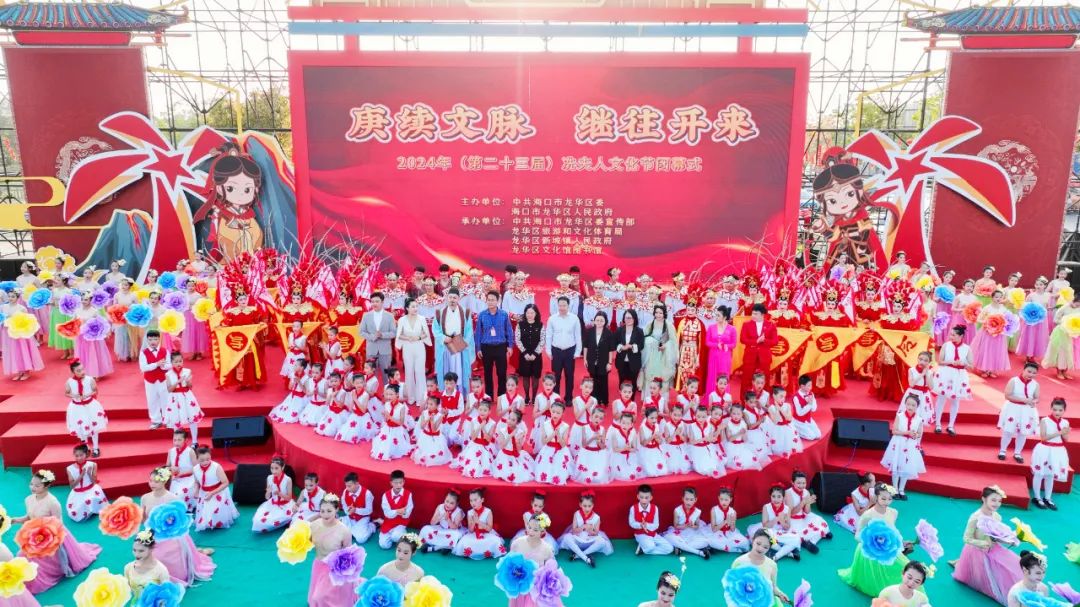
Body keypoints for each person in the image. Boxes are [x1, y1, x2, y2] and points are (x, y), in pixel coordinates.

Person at [13, 470, 101, 593]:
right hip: (35, 537)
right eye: (31, 484)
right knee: (20, 555)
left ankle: (63, 569)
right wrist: (15, 520)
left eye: (37, 485)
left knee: (51, 558)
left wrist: (49, 539)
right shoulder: (29, 499)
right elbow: (29, 517)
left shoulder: (53, 502)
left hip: (52, 537)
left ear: (47, 486)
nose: (32, 487)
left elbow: (58, 524)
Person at [140, 467, 216, 586]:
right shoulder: (145, 498)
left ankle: (196, 555)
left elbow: (180, 520)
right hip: (153, 535)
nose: (152, 484)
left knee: (166, 556)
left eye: (156, 481)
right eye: (150, 480)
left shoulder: (172, 498)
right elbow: (144, 519)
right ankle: (197, 552)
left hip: (172, 535)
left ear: (165, 481)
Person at [952, 485, 1022, 605]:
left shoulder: (997, 516)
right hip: (976, 551)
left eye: (999, 501)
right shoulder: (975, 517)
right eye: (993, 500)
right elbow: (966, 538)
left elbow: (996, 537)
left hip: (993, 549)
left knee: (1015, 565)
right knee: (987, 582)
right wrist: (982, 543)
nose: (997, 504)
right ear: (984, 499)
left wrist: (1009, 541)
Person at [838, 483, 910, 597]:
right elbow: (857, 535)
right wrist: (870, 542)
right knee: (874, 576)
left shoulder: (894, 512)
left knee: (905, 566)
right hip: (869, 550)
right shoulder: (868, 514)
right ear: (876, 497)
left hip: (887, 547)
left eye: (890, 499)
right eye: (883, 498)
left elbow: (892, 530)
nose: (887, 502)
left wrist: (900, 541)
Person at [307, 495, 360, 607]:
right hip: (318, 566)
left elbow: (349, 556)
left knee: (319, 597)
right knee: (315, 598)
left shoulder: (344, 531)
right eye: (322, 511)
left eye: (329, 511)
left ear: (336, 509)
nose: (325, 515)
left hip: (335, 569)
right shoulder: (313, 525)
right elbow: (307, 543)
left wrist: (345, 574)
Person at [731, 530, 792, 605]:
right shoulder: (739, 562)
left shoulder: (772, 565)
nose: (760, 549)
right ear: (752, 540)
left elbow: (773, 587)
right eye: (758, 543)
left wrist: (780, 594)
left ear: (769, 548)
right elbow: (733, 588)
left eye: (765, 547)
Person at [882, 395, 926, 500]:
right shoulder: (900, 416)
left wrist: (915, 435)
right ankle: (895, 489)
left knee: (907, 466)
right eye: (908, 404)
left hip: (910, 445)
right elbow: (894, 431)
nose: (910, 407)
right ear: (905, 404)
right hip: (899, 443)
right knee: (896, 465)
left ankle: (901, 489)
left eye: (913, 405)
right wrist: (906, 433)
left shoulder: (919, 419)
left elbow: (919, 433)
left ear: (917, 407)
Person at [1030, 397, 1070, 509]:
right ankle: (1037, 497)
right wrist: (1059, 432)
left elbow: (1066, 439)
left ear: (1064, 410)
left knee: (1050, 474)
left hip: (1057, 450)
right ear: (1051, 408)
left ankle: (1047, 498)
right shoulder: (1045, 420)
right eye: (1055, 409)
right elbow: (1043, 437)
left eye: (1060, 410)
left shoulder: (1065, 422)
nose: (1057, 412)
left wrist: (1065, 433)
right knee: (1039, 474)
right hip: (1045, 449)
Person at [998, 362, 1040, 463]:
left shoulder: (1035, 384)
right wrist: (1023, 400)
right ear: (1023, 370)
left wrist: (1034, 402)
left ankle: (1017, 453)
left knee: (1023, 433)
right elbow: (1007, 396)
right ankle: (1002, 451)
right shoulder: (1014, 381)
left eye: (1034, 373)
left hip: (1027, 411)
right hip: (1013, 408)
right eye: (1029, 371)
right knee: (1008, 431)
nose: (1031, 374)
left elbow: (1037, 397)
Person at [933, 325, 972, 435]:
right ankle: (938, 424)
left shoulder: (967, 349)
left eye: (954, 335)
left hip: (958, 376)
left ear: (961, 336)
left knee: (955, 401)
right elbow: (940, 361)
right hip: (946, 374)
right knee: (941, 399)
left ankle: (951, 425)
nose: (951, 337)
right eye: (951, 334)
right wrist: (951, 362)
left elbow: (971, 365)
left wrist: (963, 363)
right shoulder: (946, 345)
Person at [433, 287, 475, 388]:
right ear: (447, 298)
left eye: (455, 298)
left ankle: (460, 392)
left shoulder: (465, 312)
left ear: (458, 299)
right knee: (446, 369)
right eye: (450, 297)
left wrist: (463, 343)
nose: (452, 300)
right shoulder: (439, 313)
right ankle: (446, 392)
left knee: (460, 370)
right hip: (445, 346)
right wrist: (443, 338)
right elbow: (435, 329)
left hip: (460, 346)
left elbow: (469, 330)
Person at [558, 491, 613, 567]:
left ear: (593, 505)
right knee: (567, 538)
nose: (587, 508)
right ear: (580, 505)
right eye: (584, 506)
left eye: (589, 506)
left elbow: (596, 533)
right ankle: (586, 558)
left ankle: (578, 556)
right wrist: (583, 527)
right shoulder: (576, 514)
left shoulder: (597, 517)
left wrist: (589, 529)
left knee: (602, 541)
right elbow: (574, 531)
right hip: (578, 539)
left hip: (589, 541)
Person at [476, 290, 515, 398]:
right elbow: (478, 332)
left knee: (501, 373)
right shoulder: (482, 315)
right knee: (487, 373)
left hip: (500, 347)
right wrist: (478, 348)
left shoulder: (503, 314)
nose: (490, 302)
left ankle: (501, 397)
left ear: (498, 301)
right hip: (486, 347)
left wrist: (510, 346)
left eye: (493, 300)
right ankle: (489, 396)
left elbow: (509, 331)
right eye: (488, 300)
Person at [746, 485, 801, 561]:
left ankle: (775, 556)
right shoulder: (766, 507)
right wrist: (777, 518)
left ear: (783, 497)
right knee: (766, 538)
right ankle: (788, 553)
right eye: (773, 496)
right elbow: (765, 525)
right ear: (770, 496)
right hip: (768, 532)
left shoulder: (787, 509)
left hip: (780, 533)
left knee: (796, 539)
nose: (776, 499)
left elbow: (787, 527)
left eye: (779, 496)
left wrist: (782, 521)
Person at [65, 359, 107, 457]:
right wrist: (74, 395)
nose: (82, 372)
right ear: (73, 372)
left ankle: (96, 447)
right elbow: (66, 393)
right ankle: (86, 447)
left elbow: (95, 390)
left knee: (93, 427)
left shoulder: (90, 379)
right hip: (77, 408)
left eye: (82, 369)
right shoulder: (69, 382)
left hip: (89, 406)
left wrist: (87, 395)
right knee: (81, 427)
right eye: (78, 371)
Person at [193, 446, 239, 531]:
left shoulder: (216, 467)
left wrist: (212, 493)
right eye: (202, 460)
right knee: (205, 519)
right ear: (197, 459)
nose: (205, 462)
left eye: (208, 459)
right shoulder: (195, 469)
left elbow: (225, 482)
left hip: (218, 492)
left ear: (210, 456)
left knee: (217, 516)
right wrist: (196, 490)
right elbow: (197, 482)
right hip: (204, 493)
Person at [395, 297, 431, 406]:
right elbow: (399, 334)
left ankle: (421, 398)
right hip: (407, 348)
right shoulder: (402, 320)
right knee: (409, 372)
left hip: (419, 347)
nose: (415, 308)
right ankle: (411, 397)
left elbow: (426, 333)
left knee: (420, 372)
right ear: (407, 308)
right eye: (413, 307)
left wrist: (418, 338)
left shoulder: (422, 319)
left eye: (416, 306)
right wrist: (408, 338)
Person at [1, 289, 43, 380]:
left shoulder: (21, 308)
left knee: (22, 351)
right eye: (9, 296)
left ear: (17, 298)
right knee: (13, 352)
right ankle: (19, 371)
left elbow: (27, 321)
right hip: (8, 333)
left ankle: (26, 371)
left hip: (20, 334)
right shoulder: (4, 307)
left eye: (13, 296)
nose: (10, 298)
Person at [452, 488, 506, 559]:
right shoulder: (470, 512)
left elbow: (489, 528)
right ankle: (471, 552)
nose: (473, 503)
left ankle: (486, 551)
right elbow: (471, 530)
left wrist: (479, 522)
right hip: (474, 534)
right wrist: (474, 522)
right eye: (471, 500)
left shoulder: (488, 511)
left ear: (482, 500)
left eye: (475, 500)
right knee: (464, 542)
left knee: (495, 541)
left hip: (487, 534)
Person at [546, 296, 582, 401]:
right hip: (556, 351)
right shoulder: (552, 319)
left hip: (570, 351)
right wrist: (548, 350)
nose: (562, 308)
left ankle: (568, 398)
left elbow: (578, 336)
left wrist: (577, 352)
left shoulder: (574, 318)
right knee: (555, 376)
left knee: (569, 376)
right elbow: (548, 335)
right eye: (560, 305)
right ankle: (556, 398)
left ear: (568, 306)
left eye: (564, 305)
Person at [165, 351, 204, 445]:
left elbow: (190, 387)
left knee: (192, 418)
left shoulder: (187, 371)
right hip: (175, 399)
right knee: (176, 420)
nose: (178, 363)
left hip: (187, 397)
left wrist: (188, 382)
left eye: (180, 361)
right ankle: (178, 442)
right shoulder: (168, 374)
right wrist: (177, 382)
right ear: (171, 362)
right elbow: (169, 389)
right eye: (176, 362)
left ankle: (194, 441)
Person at [739, 304, 779, 395]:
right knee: (747, 378)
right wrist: (756, 341)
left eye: (756, 314)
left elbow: (775, 341)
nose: (753, 316)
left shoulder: (770, 325)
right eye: (752, 313)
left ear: (762, 314)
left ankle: (764, 400)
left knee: (764, 379)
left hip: (764, 356)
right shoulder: (746, 324)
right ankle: (744, 400)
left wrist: (764, 340)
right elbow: (743, 339)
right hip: (750, 355)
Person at [662, 486, 711, 559]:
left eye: (691, 500)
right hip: (679, 533)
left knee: (706, 542)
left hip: (691, 534)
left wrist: (692, 526)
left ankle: (680, 547)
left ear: (695, 500)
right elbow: (676, 526)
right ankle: (698, 552)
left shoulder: (698, 511)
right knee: (668, 537)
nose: (688, 502)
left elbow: (697, 526)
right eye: (686, 499)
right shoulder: (677, 510)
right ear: (683, 499)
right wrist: (685, 525)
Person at [972, 290, 1011, 378]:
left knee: (996, 351)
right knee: (987, 350)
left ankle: (992, 369)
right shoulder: (987, 308)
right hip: (987, 333)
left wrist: (1003, 324)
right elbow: (979, 319)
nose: (998, 299)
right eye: (996, 297)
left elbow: (1007, 320)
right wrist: (988, 322)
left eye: (1000, 297)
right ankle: (985, 369)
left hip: (999, 334)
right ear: (992, 297)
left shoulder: (1003, 309)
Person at [73, 292, 113, 378]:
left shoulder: (94, 311)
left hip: (91, 336)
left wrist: (105, 332)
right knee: (83, 353)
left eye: (86, 300)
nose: (83, 301)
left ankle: (95, 373)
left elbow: (100, 323)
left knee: (92, 353)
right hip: (81, 336)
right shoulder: (78, 310)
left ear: (90, 300)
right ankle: (84, 371)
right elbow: (74, 322)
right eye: (82, 299)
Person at [124, 530, 172, 602]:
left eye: (141, 551)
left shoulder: (161, 570)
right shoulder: (128, 568)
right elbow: (127, 589)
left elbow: (166, 595)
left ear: (151, 549)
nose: (136, 554)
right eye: (134, 550)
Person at [65, 443, 108, 522]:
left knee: (92, 500)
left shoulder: (93, 465)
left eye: (81, 455)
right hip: (77, 493)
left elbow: (94, 482)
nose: (79, 458)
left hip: (91, 490)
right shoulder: (69, 468)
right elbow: (72, 486)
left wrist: (88, 473)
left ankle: (93, 508)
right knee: (76, 513)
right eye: (76, 456)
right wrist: (81, 475)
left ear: (86, 454)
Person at [252, 455, 295, 533]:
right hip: (273, 504)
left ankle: (285, 521)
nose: (274, 471)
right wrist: (268, 492)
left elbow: (289, 498)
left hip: (285, 505)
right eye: (272, 468)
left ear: (282, 467)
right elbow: (267, 497)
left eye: (276, 468)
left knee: (289, 517)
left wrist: (279, 493)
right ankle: (282, 522)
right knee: (258, 521)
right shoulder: (269, 478)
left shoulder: (288, 479)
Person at [359, 292, 396, 380]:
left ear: (382, 302)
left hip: (385, 350)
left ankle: (387, 388)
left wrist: (382, 335)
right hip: (371, 350)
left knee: (386, 375)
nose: (374, 304)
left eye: (377, 301)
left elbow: (394, 333)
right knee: (371, 376)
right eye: (372, 302)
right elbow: (361, 332)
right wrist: (372, 337)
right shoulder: (366, 316)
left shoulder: (389, 316)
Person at [628, 484, 674, 555]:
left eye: (646, 498)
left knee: (670, 549)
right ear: (638, 497)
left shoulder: (655, 508)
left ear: (651, 498)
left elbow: (656, 525)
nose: (644, 500)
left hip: (653, 534)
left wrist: (647, 525)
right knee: (650, 546)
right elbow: (632, 523)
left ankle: (643, 550)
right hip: (640, 534)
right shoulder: (633, 508)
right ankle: (647, 547)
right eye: (641, 497)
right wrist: (640, 525)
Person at [457, 397, 496, 478]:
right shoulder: (473, 421)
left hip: (486, 446)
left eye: (485, 410)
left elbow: (488, 439)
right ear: (478, 410)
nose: (482, 412)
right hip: (475, 445)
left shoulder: (492, 423)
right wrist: (480, 426)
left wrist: (484, 428)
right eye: (480, 409)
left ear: (489, 411)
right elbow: (473, 438)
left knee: (486, 464)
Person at [140, 330, 171, 430]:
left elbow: (170, 365)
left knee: (165, 399)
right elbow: (143, 368)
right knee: (152, 400)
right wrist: (156, 364)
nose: (153, 341)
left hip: (163, 379)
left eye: (155, 339)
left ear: (159, 339)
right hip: (150, 380)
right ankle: (156, 420)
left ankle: (167, 420)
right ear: (147, 340)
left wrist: (163, 366)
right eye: (150, 339)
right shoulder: (143, 353)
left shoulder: (165, 351)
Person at [535, 401, 572, 485]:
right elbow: (543, 441)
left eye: (558, 413)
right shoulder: (545, 424)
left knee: (559, 470)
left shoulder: (565, 426)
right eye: (553, 412)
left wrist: (558, 436)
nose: (555, 414)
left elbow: (564, 444)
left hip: (560, 451)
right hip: (548, 449)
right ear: (550, 411)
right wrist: (552, 435)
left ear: (562, 414)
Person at [371, 385, 412, 461]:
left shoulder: (401, 407)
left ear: (397, 394)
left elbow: (401, 423)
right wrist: (384, 416)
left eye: (391, 394)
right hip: (387, 428)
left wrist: (390, 417)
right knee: (384, 446)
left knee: (395, 445)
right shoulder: (387, 404)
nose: (388, 397)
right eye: (387, 394)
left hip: (397, 430)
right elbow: (386, 420)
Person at [514, 303, 545, 404]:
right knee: (526, 376)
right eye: (528, 313)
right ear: (525, 313)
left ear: (536, 314)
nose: (530, 315)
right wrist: (525, 353)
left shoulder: (540, 325)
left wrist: (535, 354)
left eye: (532, 313)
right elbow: (517, 340)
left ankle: (534, 397)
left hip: (537, 356)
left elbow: (542, 340)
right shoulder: (520, 325)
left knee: (535, 377)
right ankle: (527, 397)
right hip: (524, 355)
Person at [1043, 297, 1080, 379]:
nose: (1078, 305)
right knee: (1061, 352)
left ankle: (1065, 371)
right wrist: (1066, 323)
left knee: (1071, 352)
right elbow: (1055, 319)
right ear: (1074, 300)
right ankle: (1059, 371)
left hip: (1074, 334)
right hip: (1062, 332)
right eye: (1077, 303)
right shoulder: (1064, 307)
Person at [493, 410, 534, 484]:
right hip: (505, 455)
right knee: (505, 472)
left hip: (515, 455)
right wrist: (510, 436)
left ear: (517, 422)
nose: (509, 421)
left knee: (519, 473)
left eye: (513, 420)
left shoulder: (520, 432)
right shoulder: (502, 431)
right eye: (509, 418)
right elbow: (502, 446)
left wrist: (517, 440)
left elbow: (518, 450)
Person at [583, 311, 616, 404]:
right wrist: (585, 359)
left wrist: (609, 363)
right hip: (591, 360)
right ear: (594, 321)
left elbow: (611, 349)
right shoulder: (589, 332)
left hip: (604, 361)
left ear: (605, 321)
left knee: (603, 380)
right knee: (593, 379)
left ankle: (603, 400)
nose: (599, 322)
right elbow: (585, 347)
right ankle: (594, 399)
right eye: (597, 320)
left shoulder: (609, 333)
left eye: (602, 320)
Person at [1016, 277, 1052, 362]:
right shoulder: (1031, 295)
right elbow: (1025, 307)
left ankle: (1034, 356)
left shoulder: (1048, 295)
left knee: (1039, 337)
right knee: (1030, 336)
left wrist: (1048, 309)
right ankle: (1028, 356)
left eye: (1041, 284)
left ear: (1045, 286)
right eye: (1037, 284)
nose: (1038, 286)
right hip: (1031, 320)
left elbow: (1047, 307)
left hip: (1042, 320)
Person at [704, 486, 750, 553]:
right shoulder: (714, 510)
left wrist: (732, 522)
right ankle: (735, 549)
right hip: (717, 532)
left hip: (729, 533)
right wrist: (725, 521)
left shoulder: (733, 512)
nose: (723, 502)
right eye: (721, 499)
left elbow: (732, 529)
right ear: (718, 498)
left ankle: (727, 547)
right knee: (711, 541)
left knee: (745, 542)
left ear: (730, 499)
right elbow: (714, 529)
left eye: (726, 500)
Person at [420, 489, 465, 553]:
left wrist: (448, 519)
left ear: (457, 504)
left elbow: (455, 527)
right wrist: (439, 517)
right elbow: (432, 523)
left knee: (456, 535)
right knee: (425, 528)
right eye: (447, 501)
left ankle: (434, 548)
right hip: (441, 528)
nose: (448, 504)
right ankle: (444, 547)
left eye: (451, 503)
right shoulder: (440, 507)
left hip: (452, 531)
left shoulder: (458, 512)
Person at [379, 469, 414, 549]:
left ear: (404, 482)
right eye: (395, 483)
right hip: (388, 523)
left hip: (401, 523)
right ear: (391, 483)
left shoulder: (408, 494)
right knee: (384, 545)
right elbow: (387, 513)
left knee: (396, 537)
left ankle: (401, 534)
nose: (398, 485)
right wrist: (397, 511)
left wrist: (404, 513)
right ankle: (393, 535)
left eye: (400, 482)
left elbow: (408, 512)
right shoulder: (385, 495)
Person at [412, 395, 451, 467]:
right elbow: (422, 426)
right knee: (422, 453)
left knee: (435, 455)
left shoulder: (440, 416)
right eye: (428, 404)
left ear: (437, 406)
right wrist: (428, 419)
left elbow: (434, 430)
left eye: (431, 404)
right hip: (425, 436)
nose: (429, 406)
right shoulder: (424, 413)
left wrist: (432, 421)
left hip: (435, 437)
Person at [615, 309, 646, 399]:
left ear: (634, 319)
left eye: (630, 318)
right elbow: (614, 343)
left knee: (633, 382)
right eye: (626, 318)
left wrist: (632, 346)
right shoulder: (619, 330)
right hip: (621, 360)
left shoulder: (639, 331)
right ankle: (622, 400)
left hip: (634, 361)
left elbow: (641, 345)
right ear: (623, 319)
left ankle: (631, 400)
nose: (628, 320)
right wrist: (622, 347)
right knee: (622, 381)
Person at [704, 306, 736, 393]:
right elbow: (707, 342)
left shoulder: (732, 329)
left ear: (725, 317)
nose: (716, 317)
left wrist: (727, 346)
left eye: (718, 315)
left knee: (723, 375)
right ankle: (711, 395)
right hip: (713, 355)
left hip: (725, 356)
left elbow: (734, 344)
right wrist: (716, 345)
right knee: (712, 375)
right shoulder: (711, 327)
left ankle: (723, 397)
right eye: (716, 315)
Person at [341, 471, 376, 544]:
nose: (347, 488)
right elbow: (343, 503)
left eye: (349, 486)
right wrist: (347, 511)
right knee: (337, 530)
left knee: (361, 539)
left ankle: (372, 526)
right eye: (346, 486)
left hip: (363, 518)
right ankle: (353, 530)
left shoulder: (367, 493)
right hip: (350, 517)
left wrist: (356, 510)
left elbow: (369, 510)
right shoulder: (345, 491)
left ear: (357, 484)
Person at [166, 429, 198, 511]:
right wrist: (171, 468)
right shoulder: (171, 451)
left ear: (186, 440)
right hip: (176, 480)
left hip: (189, 479)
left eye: (179, 440)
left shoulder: (190, 451)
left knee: (181, 495)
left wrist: (183, 472)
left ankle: (188, 508)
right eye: (174, 440)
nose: (176, 442)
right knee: (172, 498)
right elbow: (167, 466)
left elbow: (197, 468)